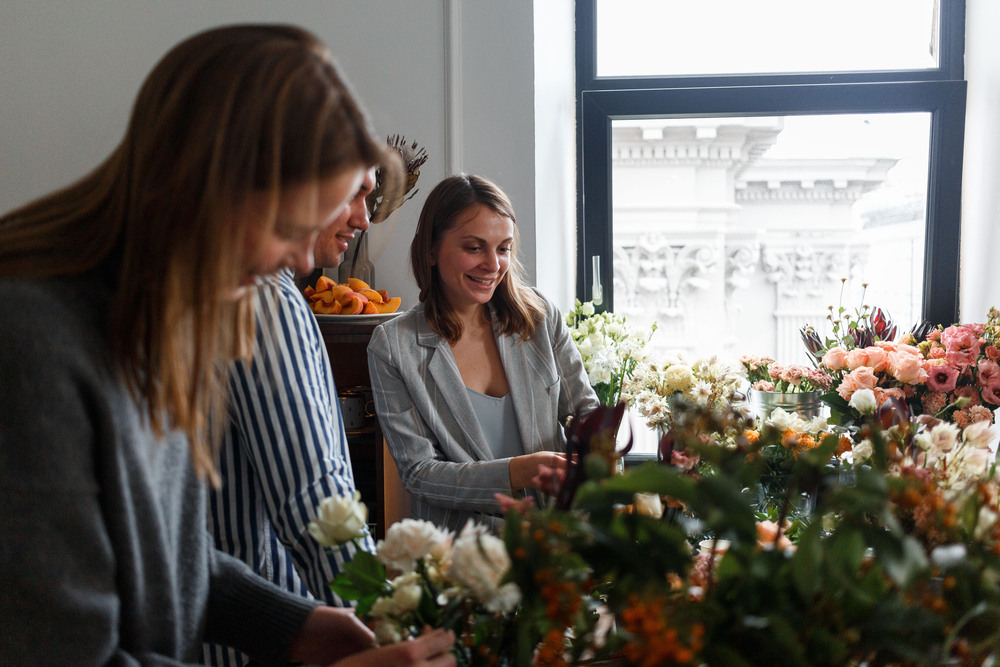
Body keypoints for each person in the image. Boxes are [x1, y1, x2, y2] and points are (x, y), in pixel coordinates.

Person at [0, 24, 454, 666]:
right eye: (290, 227)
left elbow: (167, 552)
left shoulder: (165, 317)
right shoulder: (33, 341)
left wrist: (297, 625)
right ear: (213, 186)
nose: (301, 258)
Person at [203, 167, 379, 667]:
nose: (364, 219)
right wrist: (385, 621)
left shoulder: (218, 286)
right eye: (356, 194)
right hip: (258, 642)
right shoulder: (267, 299)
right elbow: (316, 501)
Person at [367, 174, 599, 533]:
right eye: (474, 248)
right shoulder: (393, 346)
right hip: (461, 556)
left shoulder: (539, 317)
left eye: (503, 248)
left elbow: (586, 411)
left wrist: (603, 437)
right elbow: (420, 474)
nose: (492, 265)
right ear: (430, 250)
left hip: (556, 542)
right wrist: (518, 471)